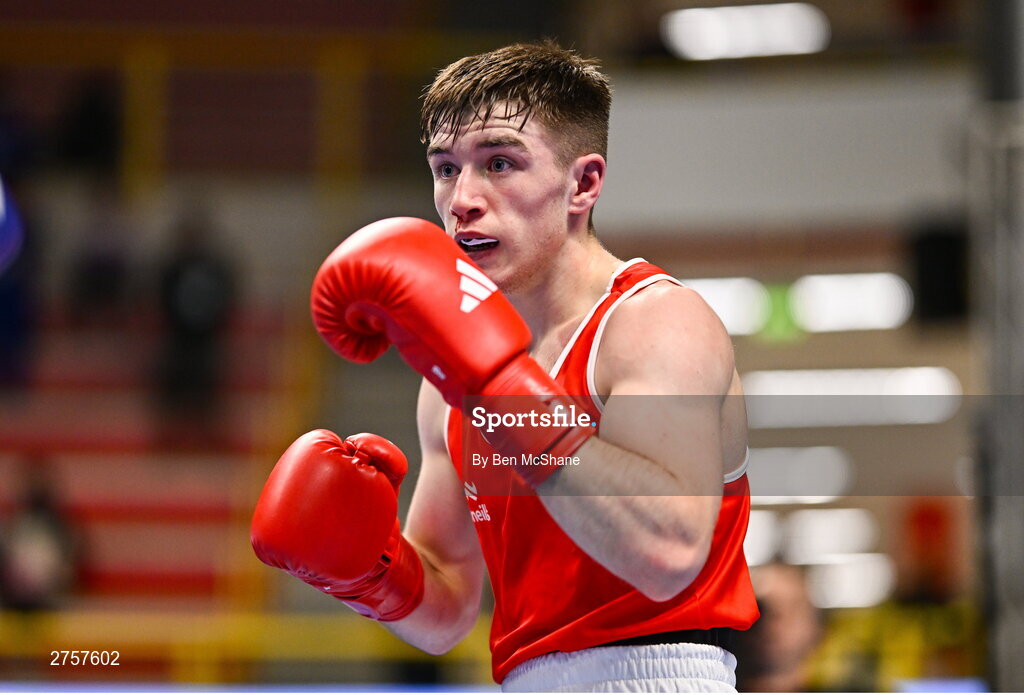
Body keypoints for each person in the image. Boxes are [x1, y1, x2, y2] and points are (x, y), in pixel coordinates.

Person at [252, 42, 758, 692]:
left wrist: (499, 393)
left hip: (661, 673)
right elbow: (447, 613)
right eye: (445, 168)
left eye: (498, 163)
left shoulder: (656, 323)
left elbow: (667, 554)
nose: (462, 198)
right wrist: (369, 572)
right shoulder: (449, 382)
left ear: (583, 183)